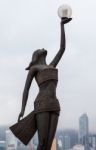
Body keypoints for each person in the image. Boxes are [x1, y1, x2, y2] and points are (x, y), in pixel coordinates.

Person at [10, 17, 72, 150]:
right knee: (42, 142)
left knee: (49, 144)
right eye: (39, 49)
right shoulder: (35, 69)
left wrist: (62, 26)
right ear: (36, 56)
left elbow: (62, 48)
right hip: (42, 104)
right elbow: (26, 90)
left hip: (54, 104)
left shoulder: (52, 65)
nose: (42, 48)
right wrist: (22, 109)